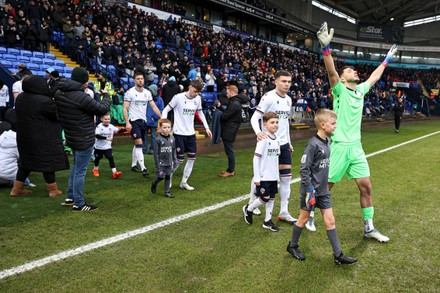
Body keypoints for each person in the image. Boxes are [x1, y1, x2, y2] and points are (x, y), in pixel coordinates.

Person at [313, 22, 396, 242]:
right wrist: (326, 49)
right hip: (339, 146)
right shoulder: (339, 90)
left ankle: (369, 228)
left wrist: (387, 59)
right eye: (350, 70)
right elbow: (331, 71)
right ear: (342, 78)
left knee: (366, 187)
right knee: (325, 188)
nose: (354, 71)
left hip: (356, 148)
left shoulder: (360, 90)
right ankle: (308, 214)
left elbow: (375, 77)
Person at [286, 109, 357, 265]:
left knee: (330, 221)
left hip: (323, 191)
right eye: (333, 124)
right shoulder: (313, 145)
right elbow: (304, 169)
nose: (335, 126)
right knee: (303, 219)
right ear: (323, 125)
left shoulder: (327, 142)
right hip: (310, 191)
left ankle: (338, 255)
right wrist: (310, 191)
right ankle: (292, 246)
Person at [54, 67, 111, 212]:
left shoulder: (59, 92)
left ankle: (70, 197)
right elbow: (101, 109)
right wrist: (106, 96)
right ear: (83, 82)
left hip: (71, 135)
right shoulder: (82, 97)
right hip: (83, 136)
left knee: (76, 167)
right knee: (80, 170)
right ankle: (79, 203)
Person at [248, 70, 296, 223]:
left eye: (289, 81)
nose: (287, 84)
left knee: (286, 178)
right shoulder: (268, 97)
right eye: (283, 81)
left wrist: (288, 141)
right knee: (262, 175)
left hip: (283, 144)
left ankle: (283, 211)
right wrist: (258, 133)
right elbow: (255, 118)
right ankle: (251, 202)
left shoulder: (288, 100)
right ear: (276, 81)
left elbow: (285, 123)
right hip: (268, 143)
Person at [11, 75, 69, 197]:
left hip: (24, 136)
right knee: (47, 162)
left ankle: (16, 189)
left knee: (25, 163)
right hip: (43, 137)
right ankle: (53, 190)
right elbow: (57, 115)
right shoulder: (44, 101)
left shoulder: (21, 98)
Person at [161, 79, 212, 191]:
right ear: (189, 87)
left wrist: (207, 127)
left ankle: (184, 182)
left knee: (192, 158)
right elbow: (166, 110)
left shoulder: (197, 99)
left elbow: (201, 113)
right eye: (194, 91)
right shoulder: (178, 97)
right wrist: (163, 123)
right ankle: (168, 177)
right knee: (179, 160)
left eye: (197, 92)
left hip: (190, 133)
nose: (195, 94)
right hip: (179, 133)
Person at [242, 112, 281, 232]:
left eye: (277, 122)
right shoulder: (263, 139)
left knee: (272, 198)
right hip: (264, 176)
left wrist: (277, 176)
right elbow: (256, 158)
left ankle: (267, 221)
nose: (275, 125)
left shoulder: (277, 139)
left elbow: (276, 159)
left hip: (273, 176)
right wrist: (257, 177)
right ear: (265, 124)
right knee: (265, 198)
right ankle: (249, 208)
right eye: (272, 122)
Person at [123, 71, 162, 177]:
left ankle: (133, 165)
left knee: (137, 144)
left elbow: (153, 107)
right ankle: (143, 168)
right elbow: (125, 108)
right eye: (138, 79)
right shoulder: (129, 93)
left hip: (143, 122)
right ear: (134, 80)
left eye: (142, 78)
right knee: (139, 144)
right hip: (134, 121)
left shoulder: (147, 93)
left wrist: (162, 117)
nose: (140, 80)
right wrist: (127, 122)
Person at [215, 84, 248, 177]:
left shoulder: (234, 103)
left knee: (229, 151)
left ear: (232, 92)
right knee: (229, 150)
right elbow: (227, 113)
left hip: (229, 129)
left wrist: (217, 114)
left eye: (228, 92)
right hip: (230, 128)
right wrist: (220, 106)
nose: (226, 94)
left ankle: (230, 171)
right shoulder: (235, 102)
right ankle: (230, 169)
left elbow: (225, 116)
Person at [151, 118, 178, 198]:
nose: (167, 129)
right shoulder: (157, 139)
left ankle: (167, 192)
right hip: (161, 163)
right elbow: (156, 154)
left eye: (169, 127)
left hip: (169, 162)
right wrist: (157, 166)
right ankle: (154, 183)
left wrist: (175, 160)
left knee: (168, 176)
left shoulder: (172, 138)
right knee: (161, 176)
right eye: (164, 127)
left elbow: (173, 149)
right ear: (160, 128)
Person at [93, 113, 125, 179]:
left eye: (108, 119)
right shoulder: (99, 126)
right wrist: (106, 138)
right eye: (105, 119)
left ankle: (115, 172)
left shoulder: (111, 126)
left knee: (110, 157)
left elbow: (118, 131)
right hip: (99, 147)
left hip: (107, 147)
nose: (107, 120)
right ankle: (95, 169)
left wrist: (126, 129)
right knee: (98, 158)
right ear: (101, 119)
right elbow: (97, 135)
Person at [143, 84, 164, 155]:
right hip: (145, 120)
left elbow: (161, 110)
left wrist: (155, 117)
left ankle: (152, 148)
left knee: (153, 136)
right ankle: (144, 148)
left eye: (150, 90)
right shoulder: (145, 98)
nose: (149, 91)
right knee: (144, 135)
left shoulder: (159, 99)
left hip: (153, 120)